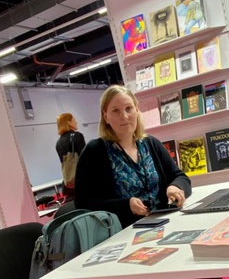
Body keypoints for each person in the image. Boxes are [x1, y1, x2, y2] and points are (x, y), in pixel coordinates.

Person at [74, 85, 191, 228]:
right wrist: (125, 205)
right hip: (124, 231)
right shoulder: (94, 152)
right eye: (115, 111)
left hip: (166, 220)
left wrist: (175, 187)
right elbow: (83, 204)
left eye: (129, 108)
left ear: (137, 110)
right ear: (106, 117)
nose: (124, 116)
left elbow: (181, 177)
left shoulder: (151, 144)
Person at [55, 113, 86, 200]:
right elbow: (85, 158)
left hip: (69, 182)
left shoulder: (58, 143)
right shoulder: (77, 136)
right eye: (74, 120)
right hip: (82, 181)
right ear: (68, 122)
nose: (76, 122)